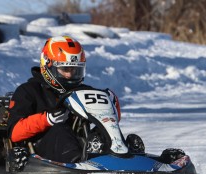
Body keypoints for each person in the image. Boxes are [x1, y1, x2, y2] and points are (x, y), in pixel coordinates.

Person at [7, 36, 139, 163]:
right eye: (65, 69)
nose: (70, 75)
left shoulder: (84, 90)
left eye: (76, 70)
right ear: (48, 65)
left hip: (80, 147)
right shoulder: (28, 91)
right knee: (59, 129)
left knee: (101, 132)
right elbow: (15, 133)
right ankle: (80, 166)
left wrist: (111, 105)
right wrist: (47, 119)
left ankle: (127, 158)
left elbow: (108, 119)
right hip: (42, 153)